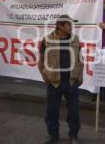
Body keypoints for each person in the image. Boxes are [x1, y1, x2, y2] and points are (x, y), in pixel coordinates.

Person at [38, 15, 83, 144]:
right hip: (54, 83)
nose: (71, 27)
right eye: (69, 24)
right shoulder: (47, 40)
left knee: (74, 112)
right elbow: (41, 60)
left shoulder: (76, 39)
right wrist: (43, 75)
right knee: (52, 111)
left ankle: (73, 136)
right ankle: (53, 136)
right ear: (60, 26)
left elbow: (81, 59)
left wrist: (81, 75)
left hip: (71, 82)